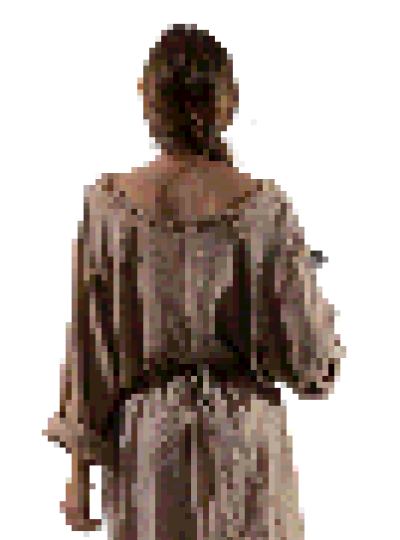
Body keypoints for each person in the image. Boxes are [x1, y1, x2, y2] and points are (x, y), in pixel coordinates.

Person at [42, 23, 346, 539]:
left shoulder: (109, 207)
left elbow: (90, 355)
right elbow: (309, 359)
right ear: (224, 101)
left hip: (149, 447)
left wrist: (78, 474)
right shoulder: (265, 207)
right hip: (244, 438)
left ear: (152, 100)